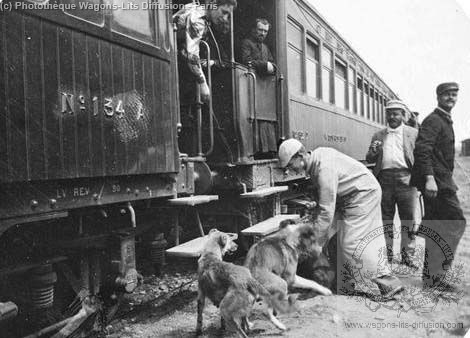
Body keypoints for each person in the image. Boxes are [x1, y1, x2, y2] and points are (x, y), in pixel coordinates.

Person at [278, 139, 404, 299]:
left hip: (362, 195)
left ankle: (390, 284)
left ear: (301, 155)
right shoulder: (317, 158)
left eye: (290, 165)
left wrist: (314, 240)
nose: (290, 171)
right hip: (351, 196)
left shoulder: (324, 169)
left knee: (352, 244)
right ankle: (343, 284)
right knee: (335, 239)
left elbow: (326, 212)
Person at [411, 82, 467, 289]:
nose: (451, 98)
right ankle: (436, 277)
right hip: (437, 184)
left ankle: (431, 278)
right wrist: (429, 178)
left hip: (440, 182)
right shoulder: (434, 120)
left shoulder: (443, 120)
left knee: (437, 227)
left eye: (454, 95)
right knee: (456, 223)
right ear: (439, 96)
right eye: (447, 94)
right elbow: (422, 150)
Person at [366, 100, 419, 267]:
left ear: (403, 115)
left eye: (396, 113)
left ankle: (407, 256)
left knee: (408, 219)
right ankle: (387, 253)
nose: (392, 116)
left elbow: (421, 157)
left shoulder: (413, 133)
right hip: (384, 180)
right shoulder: (378, 135)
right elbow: (369, 158)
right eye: (389, 113)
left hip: (407, 179)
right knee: (385, 219)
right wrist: (373, 152)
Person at [173, 0, 237, 104]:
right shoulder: (198, 21)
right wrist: (203, 84)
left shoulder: (196, 9)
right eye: (224, 12)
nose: (225, 18)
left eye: (228, 15)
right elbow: (191, 57)